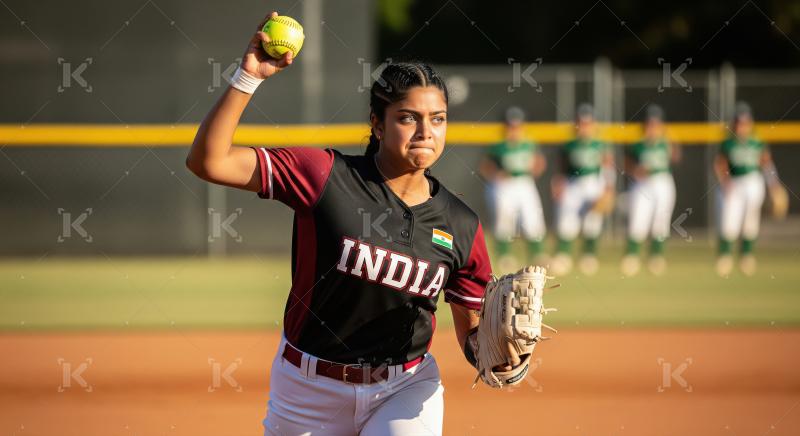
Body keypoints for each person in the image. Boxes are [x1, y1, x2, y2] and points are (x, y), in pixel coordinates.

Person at [186, 11, 492, 435]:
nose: (426, 131)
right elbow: (209, 161)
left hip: (404, 387)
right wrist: (248, 76)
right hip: (307, 390)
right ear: (376, 124)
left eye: (437, 118)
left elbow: (472, 337)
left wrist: (499, 354)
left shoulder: (461, 225)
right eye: (408, 117)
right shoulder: (325, 175)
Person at [714, 102, 781, 276]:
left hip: (753, 182)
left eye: (744, 122)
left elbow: (767, 163)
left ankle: (746, 257)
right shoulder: (728, 143)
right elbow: (719, 164)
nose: (741, 126)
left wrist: (774, 185)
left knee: (750, 220)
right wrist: (724, 181)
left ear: (750, 123)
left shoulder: (757, 142)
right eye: (738, 122)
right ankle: (725, 257)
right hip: (734, 183)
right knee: (730, 220)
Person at [479, 106, 547, 271]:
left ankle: (537, 255)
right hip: (504, 185)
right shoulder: (497, 145)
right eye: (510, 125)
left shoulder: (529, 143)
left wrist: (534, 171)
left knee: (532, 218)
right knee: (504, 219)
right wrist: (495, 175)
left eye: (516, 125)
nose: (513, 129)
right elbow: (485, 166)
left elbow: (540, 162)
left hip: (524, 182)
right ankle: (504, 257)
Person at [551, 103, 615, 276]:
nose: (584, 127)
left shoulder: (600, 144)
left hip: (593, 182)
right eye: (581, 122)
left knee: (592, 220)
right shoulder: (569, 144)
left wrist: (608, 187)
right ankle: (563, 256)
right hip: (573, 183)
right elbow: (561, 168)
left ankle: (588, 255)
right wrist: (558, 183)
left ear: (593, 124)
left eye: (587, 123)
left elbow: (608, 165)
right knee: (566, 218)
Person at [621, 105, 679, 276]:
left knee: (660, 220)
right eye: (649, 124)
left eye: (655, 124)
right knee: (638, 219)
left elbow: (676, 157)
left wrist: (671, 142)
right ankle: (631, 256)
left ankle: (656, 257)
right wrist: (635, 171)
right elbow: (627, 164)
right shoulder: (637, 144)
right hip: (642, 184)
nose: (652, 127)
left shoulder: (666, 142)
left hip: (662, 182)